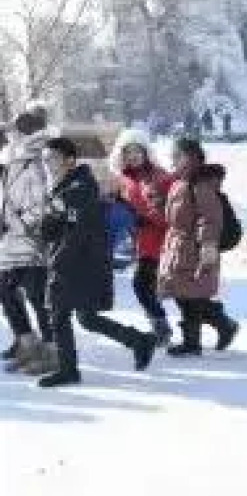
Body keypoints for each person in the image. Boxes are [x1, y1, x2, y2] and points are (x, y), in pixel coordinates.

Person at [35, 138, 157, 387]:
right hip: (77, 261)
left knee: (59, 314)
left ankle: (68, 370)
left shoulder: (79, 189)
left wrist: (57, 260)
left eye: (53, 159)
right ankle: (139, 340)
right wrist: (46, 226)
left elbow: (77, 232)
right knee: (85, 318)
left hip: (79, 263)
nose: (48, 164)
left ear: (70, 161)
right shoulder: (63, 187)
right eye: (45, 159)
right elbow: (54, 227)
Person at [159, 138, 240, 356]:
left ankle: (194, 341)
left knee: (190, 296)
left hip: (194, 248)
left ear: (192, 158)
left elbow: (210, 218)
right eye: (173, 155)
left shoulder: (201, 184)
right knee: (184, 295)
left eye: (179, 155)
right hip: (178, 247)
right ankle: (222, 325)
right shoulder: (179, 182)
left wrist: (207, 246)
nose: (174, 159)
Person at [0, 107, 56, 375]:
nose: (10, 136)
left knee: (37, 296)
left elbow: (42, 203)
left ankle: (51, 352)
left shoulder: (36, 161)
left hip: (31, 239)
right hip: (12, 239)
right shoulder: (13, 160)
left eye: (15, 132)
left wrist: (20, 223)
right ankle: (27, 344)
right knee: (6, 290)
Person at [111, 128, 175, 346]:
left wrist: (146, 218)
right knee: (148, 287)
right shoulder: (124, 178)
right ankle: (162, 328)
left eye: (137, 151)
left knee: (143, 285)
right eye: (128, 152)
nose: (133, 156)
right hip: (139, 242)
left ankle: (162, 329)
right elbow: (125, 206)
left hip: (160, 240)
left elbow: (171, 212)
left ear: (146, 152)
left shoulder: (159, 176)